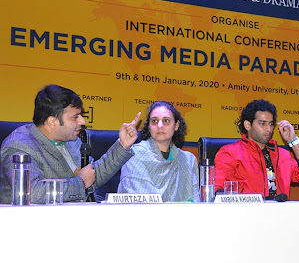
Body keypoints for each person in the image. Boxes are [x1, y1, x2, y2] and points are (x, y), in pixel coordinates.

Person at [0, 84, 140, 204]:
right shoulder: (19, 146)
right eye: (75, 117)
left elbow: (92, 176)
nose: (83, 122)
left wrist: (123, 145)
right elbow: (31, 193)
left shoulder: (71, 141)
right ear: (52, 122)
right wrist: (80, 182)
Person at [214, 99, 299, 199]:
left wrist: (293, 142)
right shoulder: (230, 153)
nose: (268, 129)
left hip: (280, 213)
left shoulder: (282, 155)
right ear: (248, 125)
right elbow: (217, 188)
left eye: (271, 124)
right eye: (262, 124)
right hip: (246, 213)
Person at [118, 101, 199, 202]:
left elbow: (195, 202)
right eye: (154, 121)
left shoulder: (188, 160)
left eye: (166, 121)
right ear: (149, 126)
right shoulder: (133, 155)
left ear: (176, 125)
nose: (160, 125)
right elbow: (138, 203)